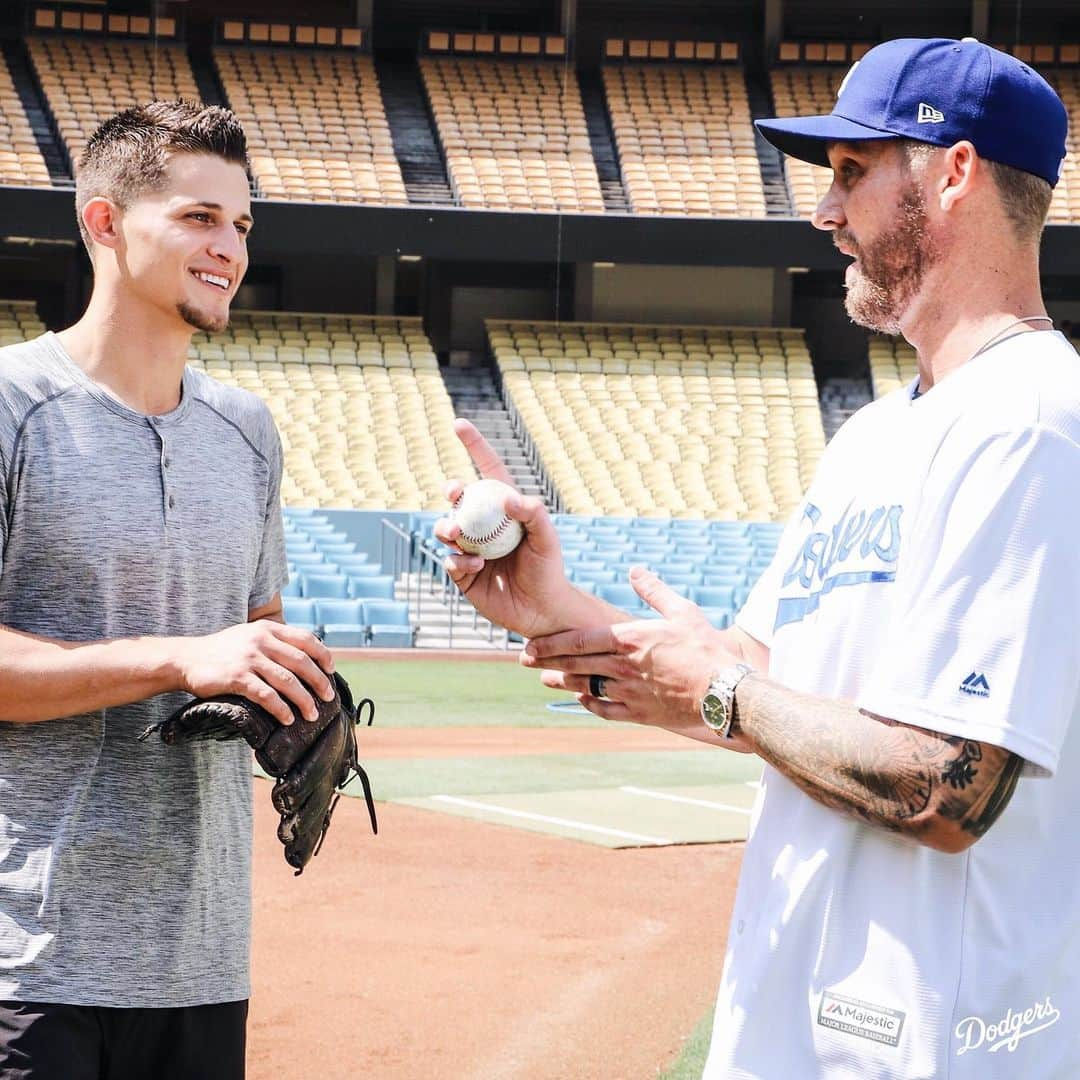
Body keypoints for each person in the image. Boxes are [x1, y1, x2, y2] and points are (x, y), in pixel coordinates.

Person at [437, 38, 1080, 1079]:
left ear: (954, 172)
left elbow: (951, 786)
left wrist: (724, 690)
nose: (826, 213)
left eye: (853, 171)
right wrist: (554, 609)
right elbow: (757, 682)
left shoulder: (1033, 420)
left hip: (941, 1046)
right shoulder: (876, 435)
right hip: (800, 1034)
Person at [0, 101, 336, 1078]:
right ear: (103, 223)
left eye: (240, 226)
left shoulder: (249, 431)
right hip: (33, 962)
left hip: (202, 960)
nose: (228, 247)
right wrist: (181, 657)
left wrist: (293, 693)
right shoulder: (13, 407)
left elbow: (253, 643)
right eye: (198, 218)